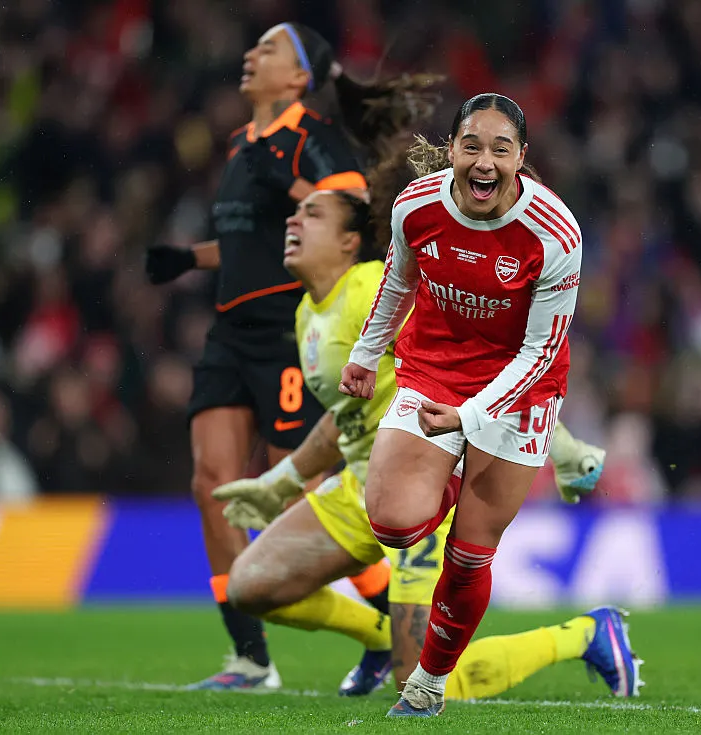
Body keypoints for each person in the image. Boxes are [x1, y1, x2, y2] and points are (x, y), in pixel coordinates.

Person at [210, 173, 633, 704]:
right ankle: (381, 638)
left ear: (349, 240)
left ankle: (585, 636)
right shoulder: (307, 313)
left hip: (425, 473)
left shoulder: (371, 288)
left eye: (313, 214)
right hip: (362, 482)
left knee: (425, 677)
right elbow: (345, 415)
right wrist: (283, 479)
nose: (294, 220)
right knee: (251, 587)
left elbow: (479, 361)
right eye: (297, 212)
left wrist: (559, 443)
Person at [143, 22, 439, 690]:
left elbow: (354, 214)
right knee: (210, 484)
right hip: (230, 329)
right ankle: (250, 658)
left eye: (269, 48)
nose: (251, 54)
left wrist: (296, 185)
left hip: (291, 328)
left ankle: (387, 628)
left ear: (301, 77)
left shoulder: (314, 139)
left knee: (297, 493)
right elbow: (251, 241)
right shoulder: (238, 146)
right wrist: (190, 258)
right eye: (252, 46)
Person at [339, 92, 639, 717]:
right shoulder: (416, 205)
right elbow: (397, 280)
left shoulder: (554, 232)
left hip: (521, 385)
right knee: (393, 522)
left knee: (470, 553)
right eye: (471, 146)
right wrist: (366, 354)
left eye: (501, 150)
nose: (484, 162)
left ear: (521, 157)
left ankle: (427, 685)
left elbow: (541, 350)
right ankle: (450, 478)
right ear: (451, 149)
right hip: (435, 368)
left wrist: (471, 420)